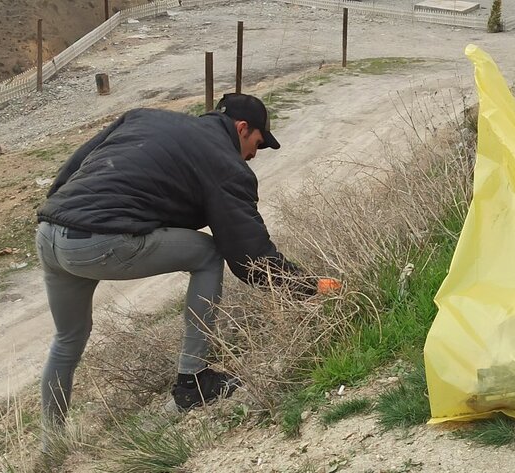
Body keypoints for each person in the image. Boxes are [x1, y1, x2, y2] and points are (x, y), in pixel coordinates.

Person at [34, 93, 334, 432]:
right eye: (258, 144)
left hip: (49, 234)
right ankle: (193, 383)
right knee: (209, 253)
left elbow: (73, 168)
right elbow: (250, 258)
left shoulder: (142, 116)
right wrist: (312, 287)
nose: (252, 155)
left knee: (67, 340)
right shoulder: (225, 162)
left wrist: (60, 214)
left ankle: (51, 444)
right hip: (101, 240)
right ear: (242, 127)